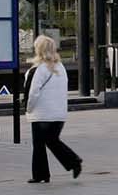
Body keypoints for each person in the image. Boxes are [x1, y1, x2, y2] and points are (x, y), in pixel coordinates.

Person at [24, 35, 82, 183]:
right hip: (58, 114)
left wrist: (29, 109)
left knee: (39, 145)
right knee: (52, 141)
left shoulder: (40, 69)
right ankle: (72, 162)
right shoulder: (60, 67)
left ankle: (41, 174)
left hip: (42, 114)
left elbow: (33, 92)